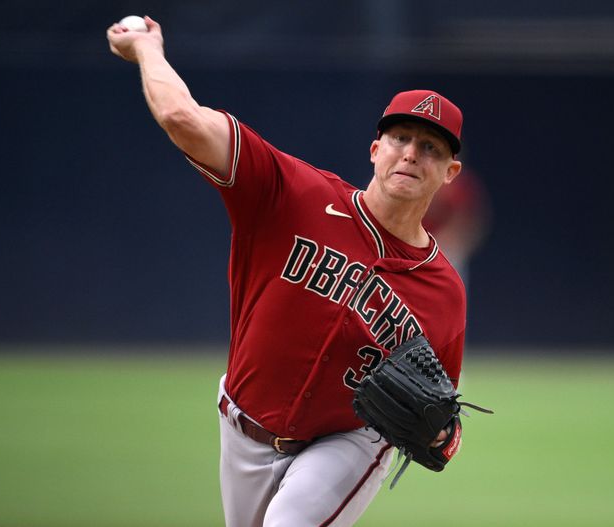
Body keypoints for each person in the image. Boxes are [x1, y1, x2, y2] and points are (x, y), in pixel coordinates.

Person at [108, 16, 470, 527]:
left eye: (431, 147)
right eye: (401, 137)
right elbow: (182, 118)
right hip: (240, 425)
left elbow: (442, 413)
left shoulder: (444, 291)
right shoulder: (292, 193)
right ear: (375, 149)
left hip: (346, 442)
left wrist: (441, 434)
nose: (411, 153)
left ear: (450, 173)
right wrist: (148, 49)